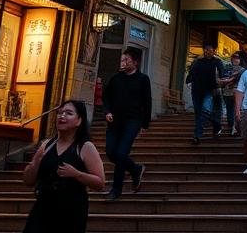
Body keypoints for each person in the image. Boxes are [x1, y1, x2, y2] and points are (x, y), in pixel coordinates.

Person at [22, 100, 105, 232]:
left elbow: (100, 183)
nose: (62, 116)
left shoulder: (85, 147)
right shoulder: (47, 145)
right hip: (43, 208)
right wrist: (35, 162)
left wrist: (77, 174)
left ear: (79, 121)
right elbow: (28, 181)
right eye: (60, 113)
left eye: (69, 113)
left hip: (71, 211)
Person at [104, 47, 152, 200]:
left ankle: (116, 190)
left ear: (135, 62)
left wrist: (144, 124)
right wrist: (107, 112)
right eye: (122, 60)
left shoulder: (143, 79)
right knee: (111, 152)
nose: (123, 63)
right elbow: (106, 98)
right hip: (115, 121)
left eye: (127, 60)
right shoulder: (115, 78)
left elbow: (147, 102)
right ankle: (135, 169)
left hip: (133, 121)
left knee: (121, 154)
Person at [185, 43, 226, 144]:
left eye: (210, 50)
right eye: (206, 50)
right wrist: (189, 81)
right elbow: (191, 73)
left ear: (214, 51)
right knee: (199, 112)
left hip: (210, 90)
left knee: (205, 110)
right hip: (197, 90)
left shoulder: (217, 62)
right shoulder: (198, 61)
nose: (207, 52)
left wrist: (221, 85)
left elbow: (222, 75)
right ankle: (216, 126)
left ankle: (197, 135)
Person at [219, 53, 242, 136]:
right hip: (227, 92)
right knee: (229, 110)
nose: (236, 60)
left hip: (238, 93)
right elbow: (222, 79)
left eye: (237, 58)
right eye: (234, 58)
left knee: (237, 110)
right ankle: (231, 125)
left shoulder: (243, 70)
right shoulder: (226, 69)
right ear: (231, 59)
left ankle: (235, 127)